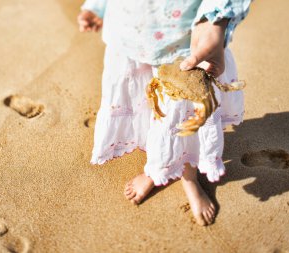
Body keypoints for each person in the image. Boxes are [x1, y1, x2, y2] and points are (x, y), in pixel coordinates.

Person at [78, 0, 251, 226]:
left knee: (180, 113)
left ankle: (187, 174)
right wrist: (97, 6)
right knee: (146, 102)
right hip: (127, 28)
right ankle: (156, 168)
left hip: (183, 36)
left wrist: (216, 19)